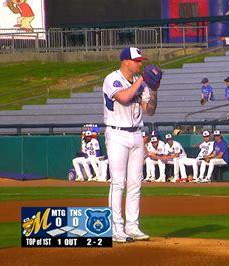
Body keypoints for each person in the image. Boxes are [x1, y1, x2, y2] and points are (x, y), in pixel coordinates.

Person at [102, 47, 160, 242]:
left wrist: (154, 89)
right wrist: (144, 80)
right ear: (126, 61)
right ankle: (115, 227)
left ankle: (132, 226)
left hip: (136, 134)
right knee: (118, 182)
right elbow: (124, 97)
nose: (140, 63)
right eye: (136, 60)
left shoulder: (139, 83)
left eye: (140, 60)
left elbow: (149, 110)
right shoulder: (113, 79)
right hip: (117, 133)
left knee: (135, 183)